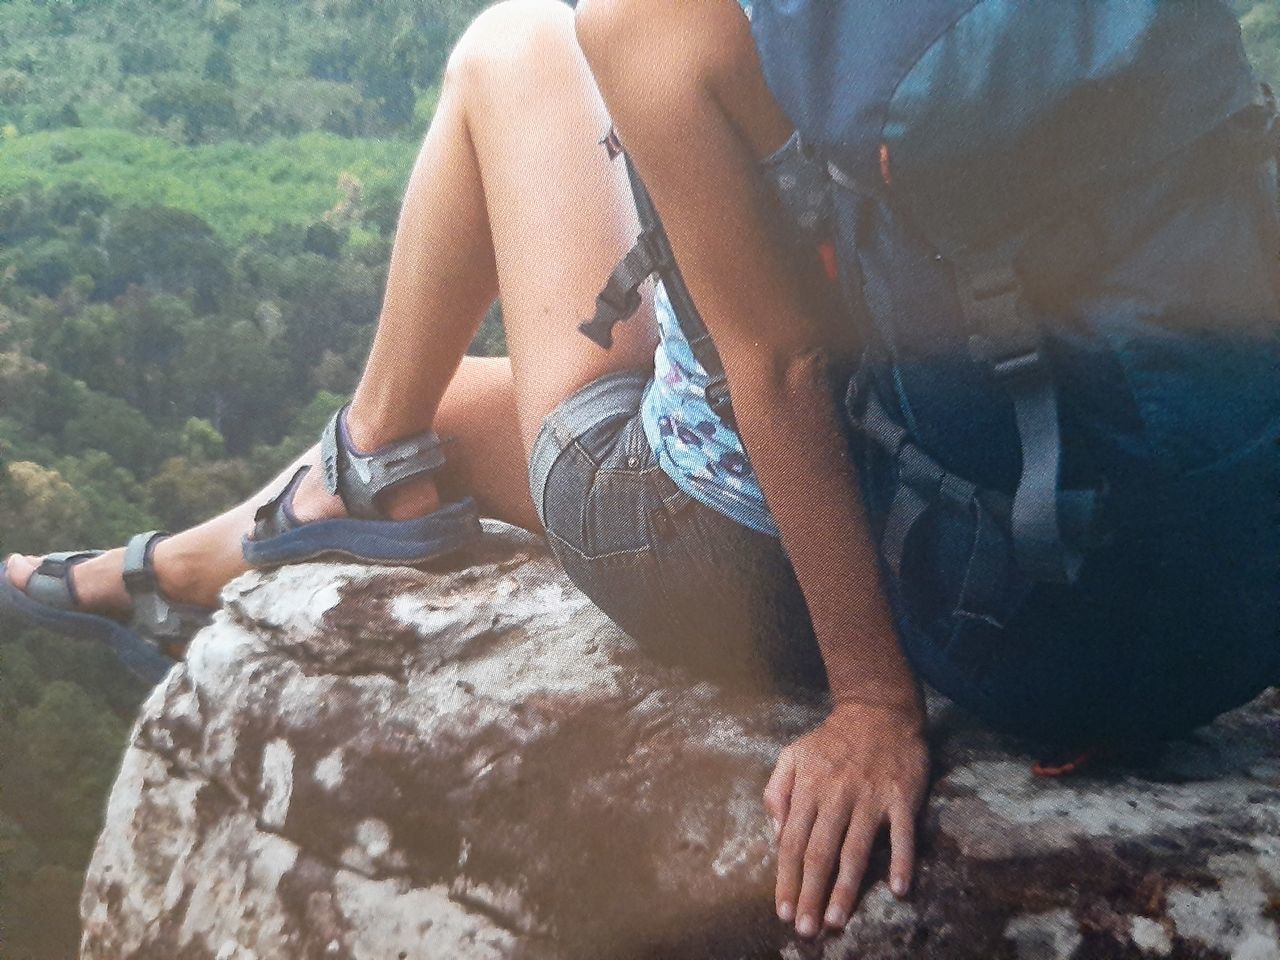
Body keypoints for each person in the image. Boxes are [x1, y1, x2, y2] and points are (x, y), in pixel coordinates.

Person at [0, 0, 927, 939]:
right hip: (976, 513)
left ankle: (351, 474)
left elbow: (785, 365)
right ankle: (199, 561)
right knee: (439, 411)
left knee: (513, 42)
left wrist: (872, 698)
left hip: (761, 559)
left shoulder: (663, 14)